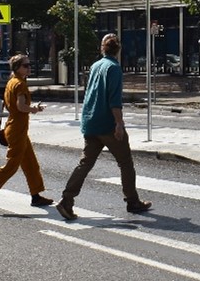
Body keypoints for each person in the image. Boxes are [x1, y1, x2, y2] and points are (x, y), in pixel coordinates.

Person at [56, 34, 151, 220]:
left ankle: (66, 200)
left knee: (85, 163)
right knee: (125, 163)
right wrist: (119, 124)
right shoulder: (114, 68)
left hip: (90, 121)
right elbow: (114, 99)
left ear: (102, 48)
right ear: (118, 49)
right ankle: (132, 201)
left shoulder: (95, 66)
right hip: (107, 124)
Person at [0, 54, 53, 212]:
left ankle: (36, 196)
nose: (29, 67)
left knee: (30, 163)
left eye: (30, 65)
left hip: (17, 128)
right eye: (26, 65)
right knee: (11, 165)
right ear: (17, 68)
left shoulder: (13, 81)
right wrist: (35, 109)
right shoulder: (19, 84)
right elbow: (21, 106)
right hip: (17, 129)